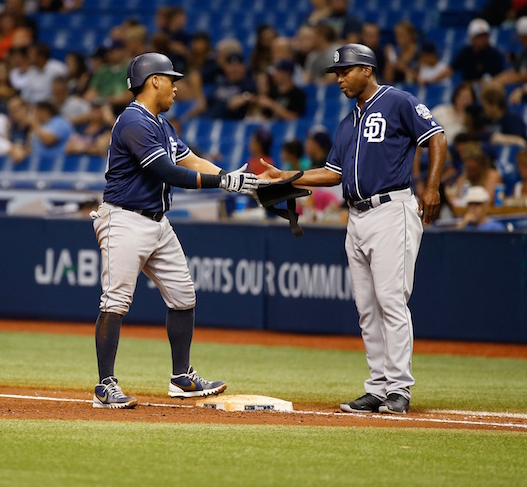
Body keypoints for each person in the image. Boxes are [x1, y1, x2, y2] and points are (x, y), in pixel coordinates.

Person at [259, 44, 447, 415]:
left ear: (367, 69)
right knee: (366, 308)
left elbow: (436, 137)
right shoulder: (348, 124)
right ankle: (378, 387)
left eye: (346, 71)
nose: (340, 78)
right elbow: (334, 173)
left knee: (391, 301)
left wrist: (433, 185)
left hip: (391, 210)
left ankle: (399, 389)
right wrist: (287, 175)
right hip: (357, 218)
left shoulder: (398, 101)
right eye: (337, 73)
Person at [90, 52, 265, 409]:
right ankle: (106, 384)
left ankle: (181, 377)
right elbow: (170, 173)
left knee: (184, 296)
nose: (176, 86)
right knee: (116, 301)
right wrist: (221, 181)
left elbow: (192, 161)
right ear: (154, 80)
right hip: (124, 219)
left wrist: (235, 179)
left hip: (156, 221)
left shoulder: (161, 124)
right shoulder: (133, 122)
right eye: (171, 79)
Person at [431, 18, 505, 84]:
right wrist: (431, 80)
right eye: (479, 36)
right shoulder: (466, 52)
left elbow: (499, 77)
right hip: (467, 91)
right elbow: (450, 70)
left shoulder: (494, 54)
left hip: (488, 89)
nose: (483, 39)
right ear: (472, 38)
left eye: (485, 35)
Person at [477, 82, 527, 147]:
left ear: (495, 106)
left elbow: (521, 142)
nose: (484, 108)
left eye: (485, 106)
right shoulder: (487, 121)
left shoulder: (513, 120)